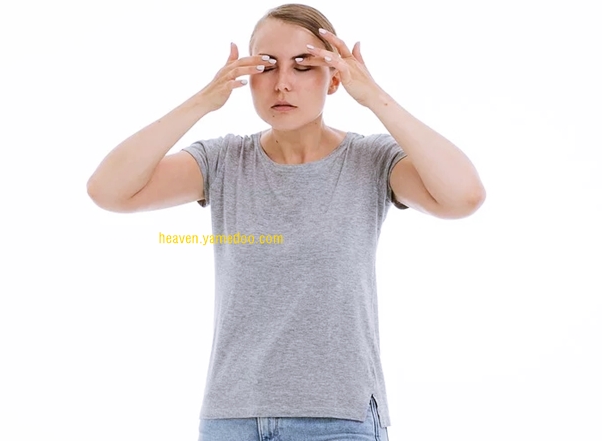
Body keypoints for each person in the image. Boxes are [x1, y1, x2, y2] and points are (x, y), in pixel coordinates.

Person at [87, 3, 485, 440]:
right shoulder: (223, 161)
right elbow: (108, 190)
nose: (282, 83)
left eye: (303, 65)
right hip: (232, 419)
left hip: (338, 419)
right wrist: (203, 101)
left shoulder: (370, 160)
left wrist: (374, 97)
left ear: (334, 77)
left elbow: (463, 196)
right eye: (266, 66)